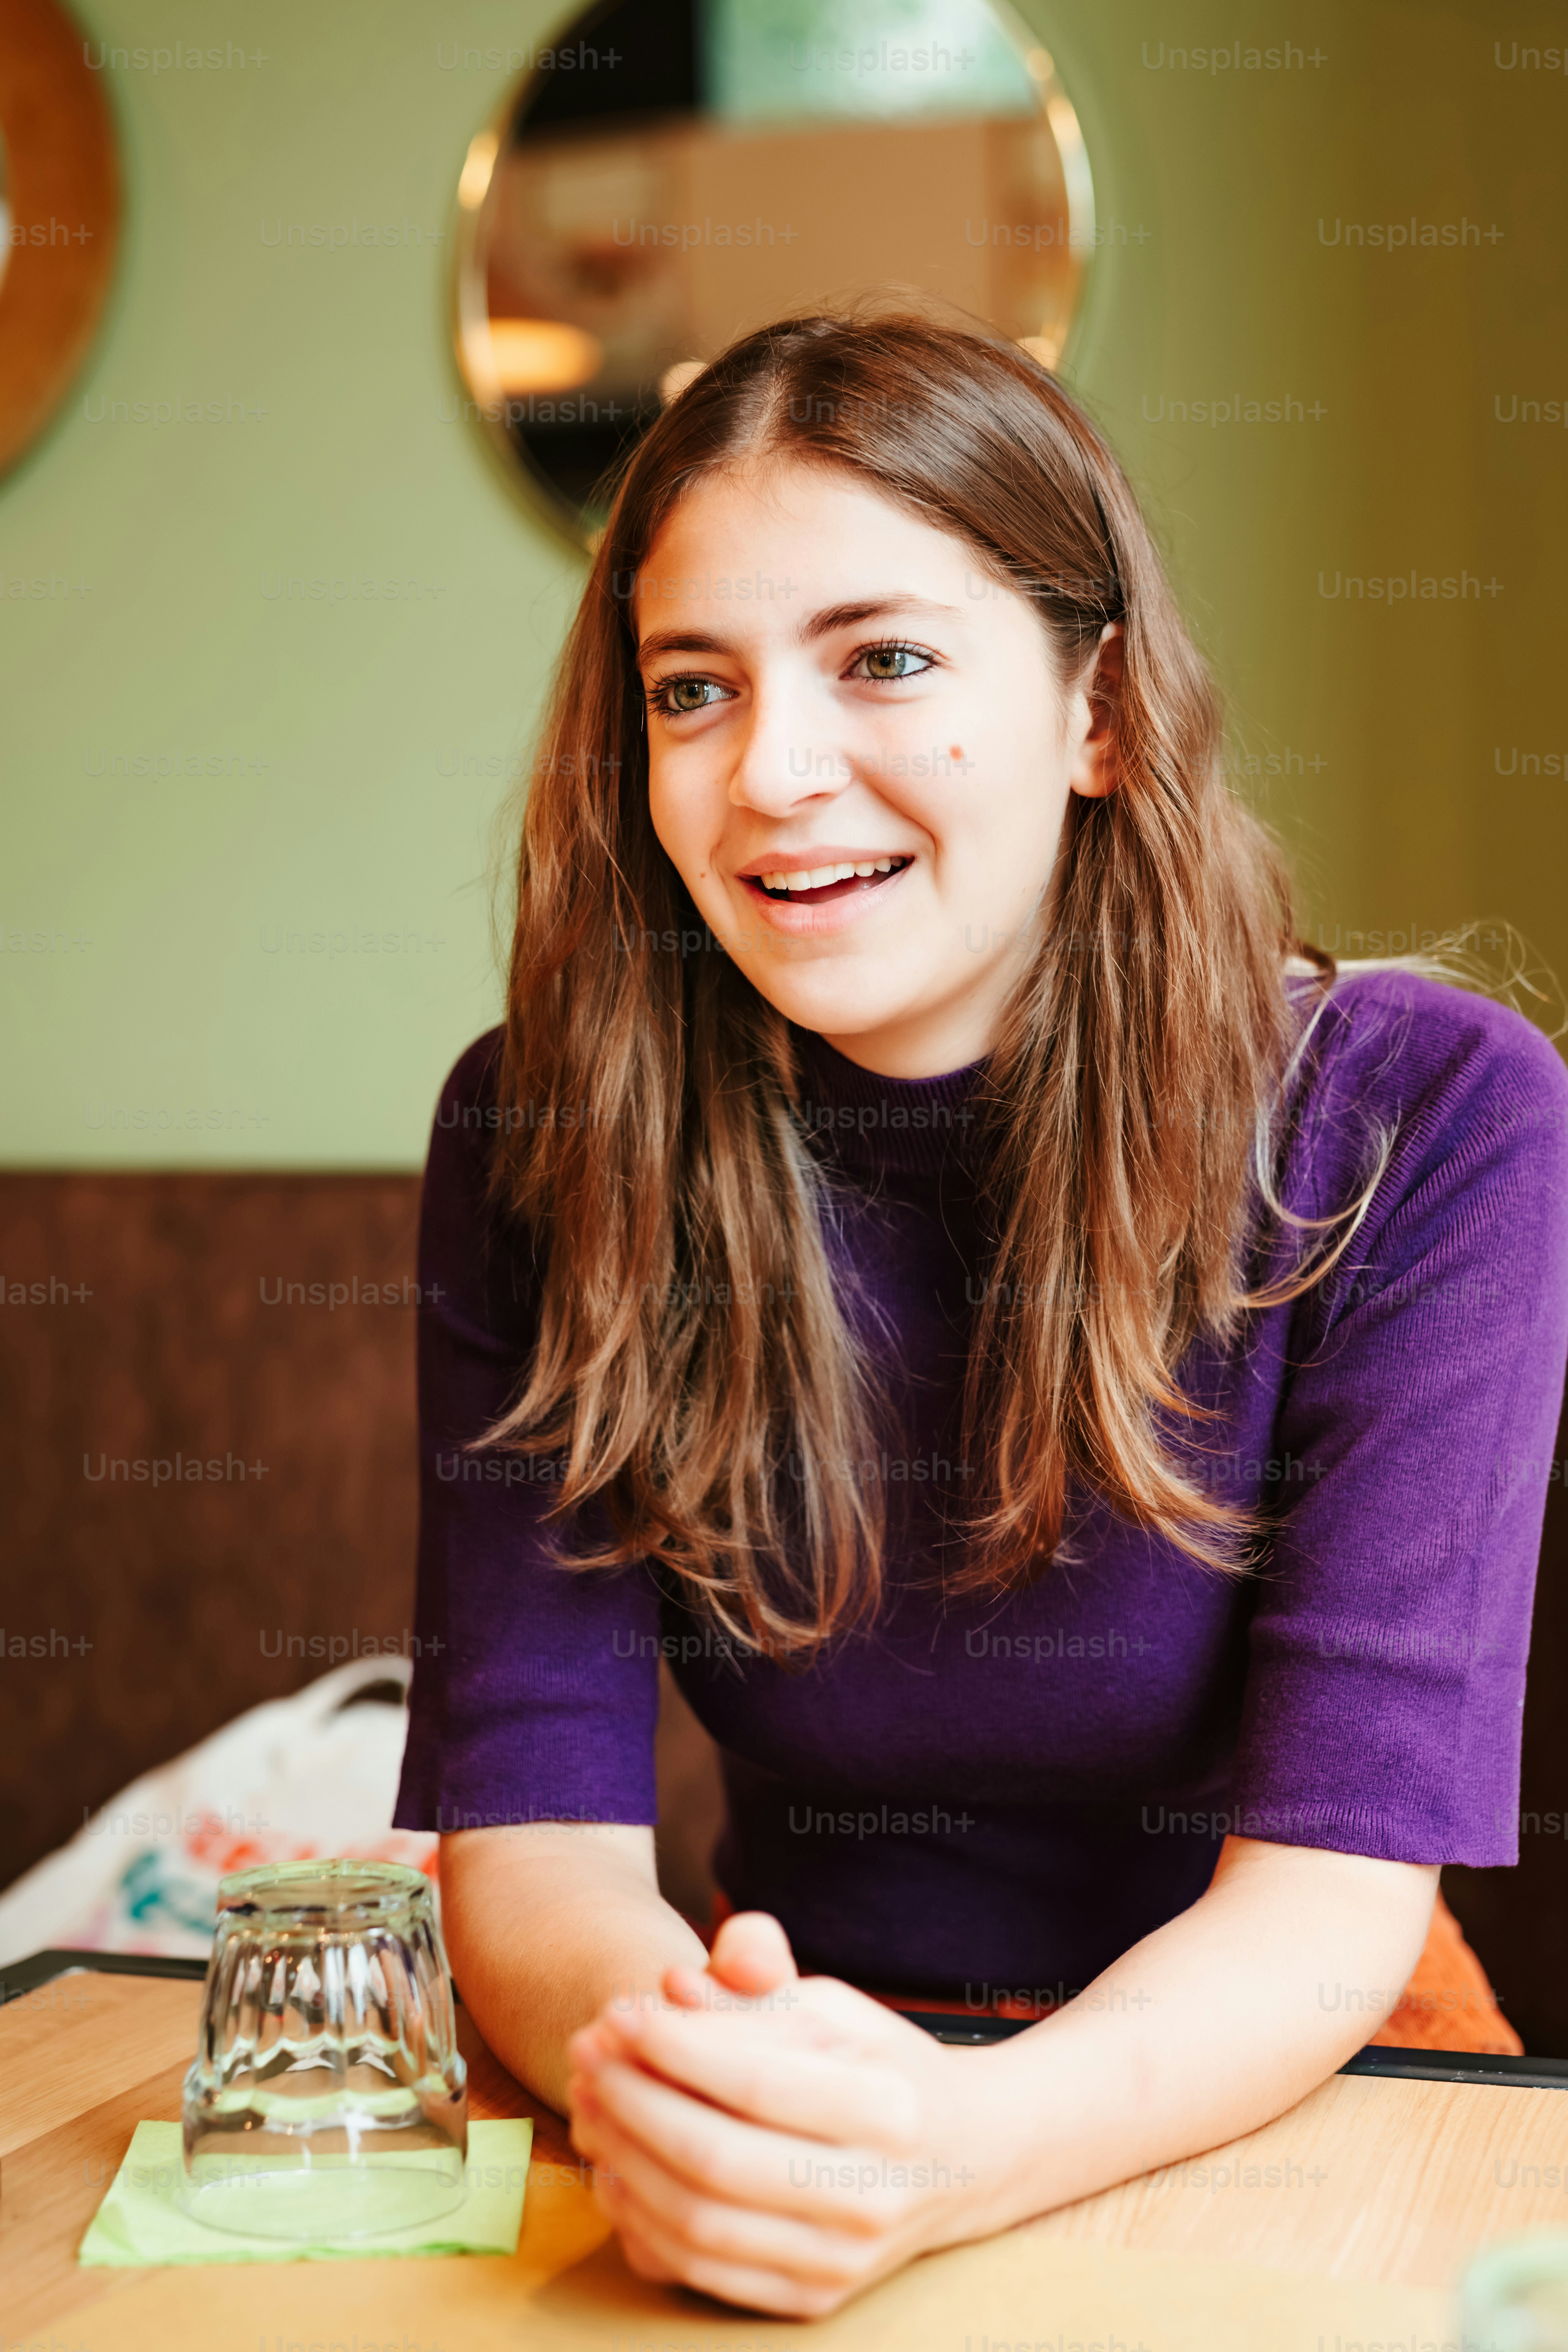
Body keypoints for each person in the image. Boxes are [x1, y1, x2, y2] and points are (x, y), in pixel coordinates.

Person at [394, 309, 1568, 2317]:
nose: (768, 773)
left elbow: (1332, 1899)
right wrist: (683, 2071)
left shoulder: (1430, 1112)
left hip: (1305, 2107)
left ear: (1096, 709)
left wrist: (959, 2152)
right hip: (782, 2083)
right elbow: (536, 1837)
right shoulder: (537, 1129)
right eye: (692, 688)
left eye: (886, 660)